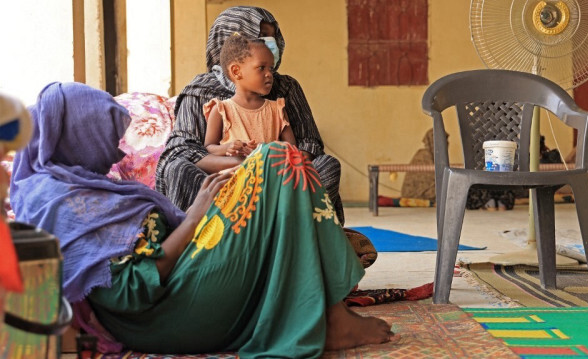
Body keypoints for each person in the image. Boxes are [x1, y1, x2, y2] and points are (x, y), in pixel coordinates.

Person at [9, 82, 392, 357]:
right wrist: (195, 217)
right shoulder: (64, 202)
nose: (117, 149)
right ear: (77, 137)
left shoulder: (74, 186)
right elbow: (129, 293)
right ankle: (332, 313)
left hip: (181, 282)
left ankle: (327, 304)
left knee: (274, 164)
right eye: (107, 136)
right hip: (166, 314)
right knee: (278, 159)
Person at [156, 6, 346, 225]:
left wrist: (273, 166)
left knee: (327, 165)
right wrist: (240, 164)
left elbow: (309, 143)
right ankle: (207, 243)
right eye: (262, 37)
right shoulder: (200, 90)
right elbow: (182, 150)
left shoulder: (286, 88)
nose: (270, 44)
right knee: (177, 169)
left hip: (280, 180)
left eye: (272, 37)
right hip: (224, 183)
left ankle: (294, 238)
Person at [203, 33, 295, 161]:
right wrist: (227, 148)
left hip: (270, 176)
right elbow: (208, 147)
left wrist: (265, 149)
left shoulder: (277, 110)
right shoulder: (221, 110)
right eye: (261, 68)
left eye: (271, 68)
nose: (269, 74)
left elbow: (292, 149)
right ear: (236, 71)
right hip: (236, 177)